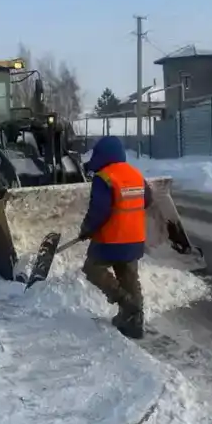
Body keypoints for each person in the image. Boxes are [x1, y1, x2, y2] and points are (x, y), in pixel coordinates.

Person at [78, 136, 152, 339]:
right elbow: (148, 199)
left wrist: (87, 229)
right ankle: (135, 323)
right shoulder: (136, 174)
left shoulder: (104, 177)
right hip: (135, 239)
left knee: (92, 268)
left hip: (110, 240)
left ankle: (125, 301)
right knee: (129, 277)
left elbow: (99, 210)